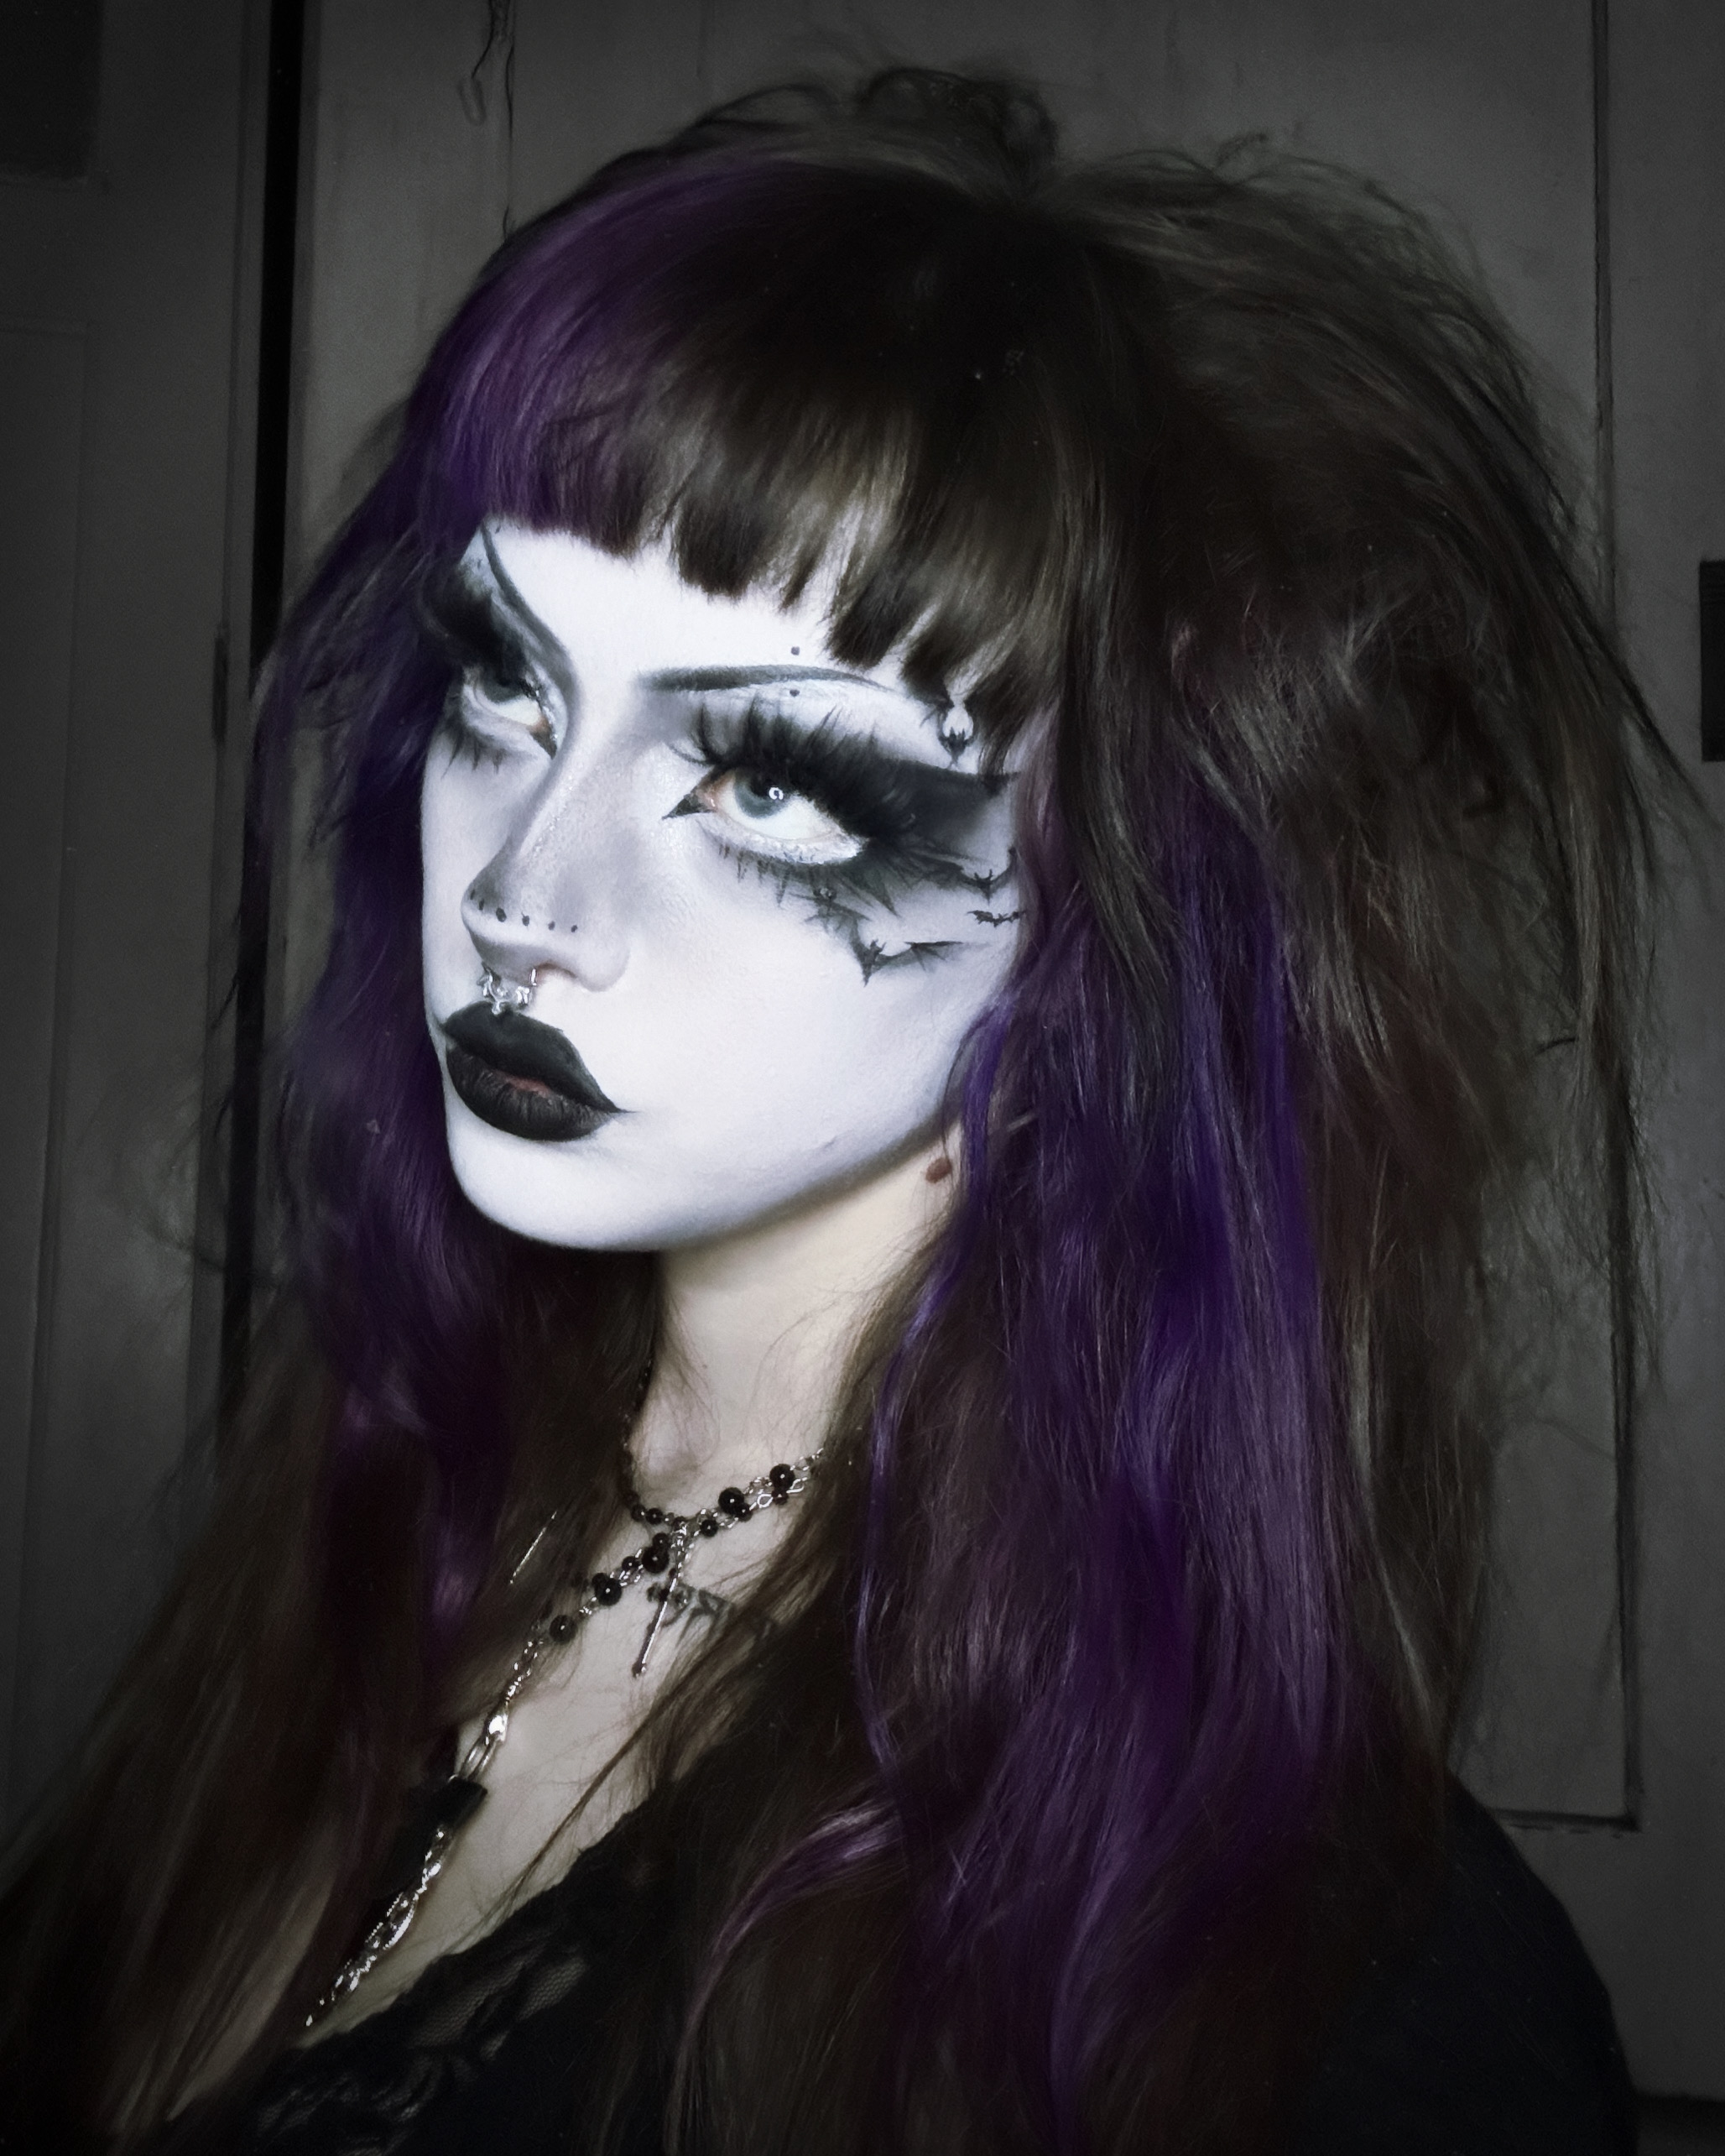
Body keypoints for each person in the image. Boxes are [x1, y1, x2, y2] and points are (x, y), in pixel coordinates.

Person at [0, 67, 1668, 2156]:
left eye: (769, 780)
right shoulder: (396, 1514)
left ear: (1120, 910)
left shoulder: (1328, 2002)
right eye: (507, 688)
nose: (524, 893)